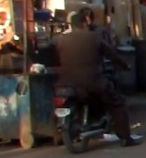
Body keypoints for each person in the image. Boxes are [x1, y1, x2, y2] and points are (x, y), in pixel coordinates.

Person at [55, 10, 140, 147]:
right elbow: (112, 54)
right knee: (117, 104)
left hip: (67, 83)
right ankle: (126, 138)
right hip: (93, 82)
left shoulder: (61, 39)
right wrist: (125, 66)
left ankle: (60, 135)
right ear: (84, 23)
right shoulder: (93, 37)